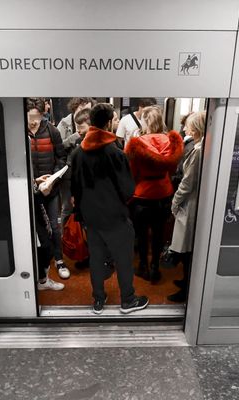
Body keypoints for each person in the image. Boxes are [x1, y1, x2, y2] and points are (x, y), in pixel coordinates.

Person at [70, 103, 149, 315]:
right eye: (114, 120)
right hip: (114, 217)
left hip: (90, 217)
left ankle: (98, 300)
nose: (116, 123)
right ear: (107, 123)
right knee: (123, 259)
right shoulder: (115, 154)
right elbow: (128, 189)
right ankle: (128, 300)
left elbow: (74, 188)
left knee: (96, 259)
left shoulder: (78, 153)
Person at [125, 106, 183, 283]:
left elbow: (130, 171)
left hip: (142, 194)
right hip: (164, 192)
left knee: (142, 234)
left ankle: (143, 266)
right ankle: (155, 268)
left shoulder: (137, 143)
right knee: (158, 234)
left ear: (145, 121)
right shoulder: (170, 142)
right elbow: (172, 169)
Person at [26, 98, 70, 280]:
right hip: (31, 188)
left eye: (38, 116)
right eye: (31, 117)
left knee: (54, 225)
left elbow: (61, 157)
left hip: (50, 187)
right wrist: (34, 182)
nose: (34, 121)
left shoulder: (51, 131)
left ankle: (59, 260)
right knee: (36, 228)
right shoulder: (20, 132)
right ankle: (39, 264)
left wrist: (51, 180)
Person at [168, 111, 206, 302]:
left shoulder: (198, 151)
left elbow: (187, 183)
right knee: (187, 248)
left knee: (187, 249)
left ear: (196, 129)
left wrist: (174, 203)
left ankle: (188, 289)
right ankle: (186, 281)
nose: (184, 128)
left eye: (188, 126)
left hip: (189, 204)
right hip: (192, 201)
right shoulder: (201, 146)